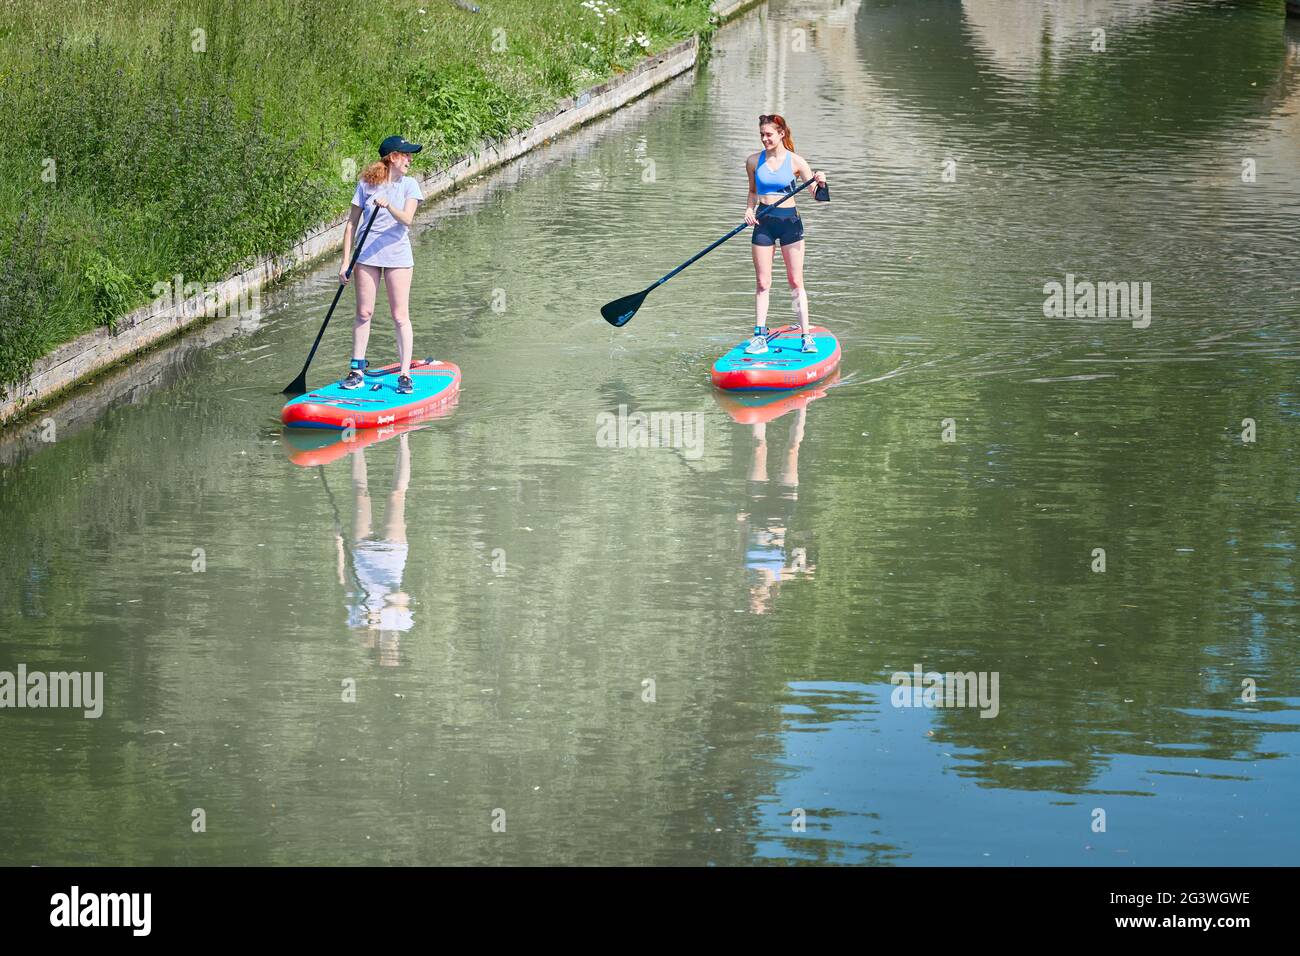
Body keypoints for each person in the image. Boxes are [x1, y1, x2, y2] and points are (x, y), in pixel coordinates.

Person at [340, 135, 425, 395]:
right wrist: (345, 262)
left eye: (411, 154)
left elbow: (408, 219)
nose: (410, 158)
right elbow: (351, 224)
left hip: (397, 257)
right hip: (366, 256)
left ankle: (404, 374)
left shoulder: (410, 185)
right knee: (364, 313)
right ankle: (357, 371)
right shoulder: (366, 183)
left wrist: (389, 207)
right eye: (406, 154)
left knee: (400, 316)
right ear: (392, 157)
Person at [743, 114, 828, 355]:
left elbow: (816, 195)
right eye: (762, 135)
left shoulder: (796, 162)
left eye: (769, 134)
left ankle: (806, 336)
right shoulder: (752, 161)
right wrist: (749, 209)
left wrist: (821, 182)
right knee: (762, 282)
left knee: (795, 281)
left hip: (790, 223)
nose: (764, 139)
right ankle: (760, 336)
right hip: (763, 222)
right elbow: (752, 192)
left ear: (781, 134)